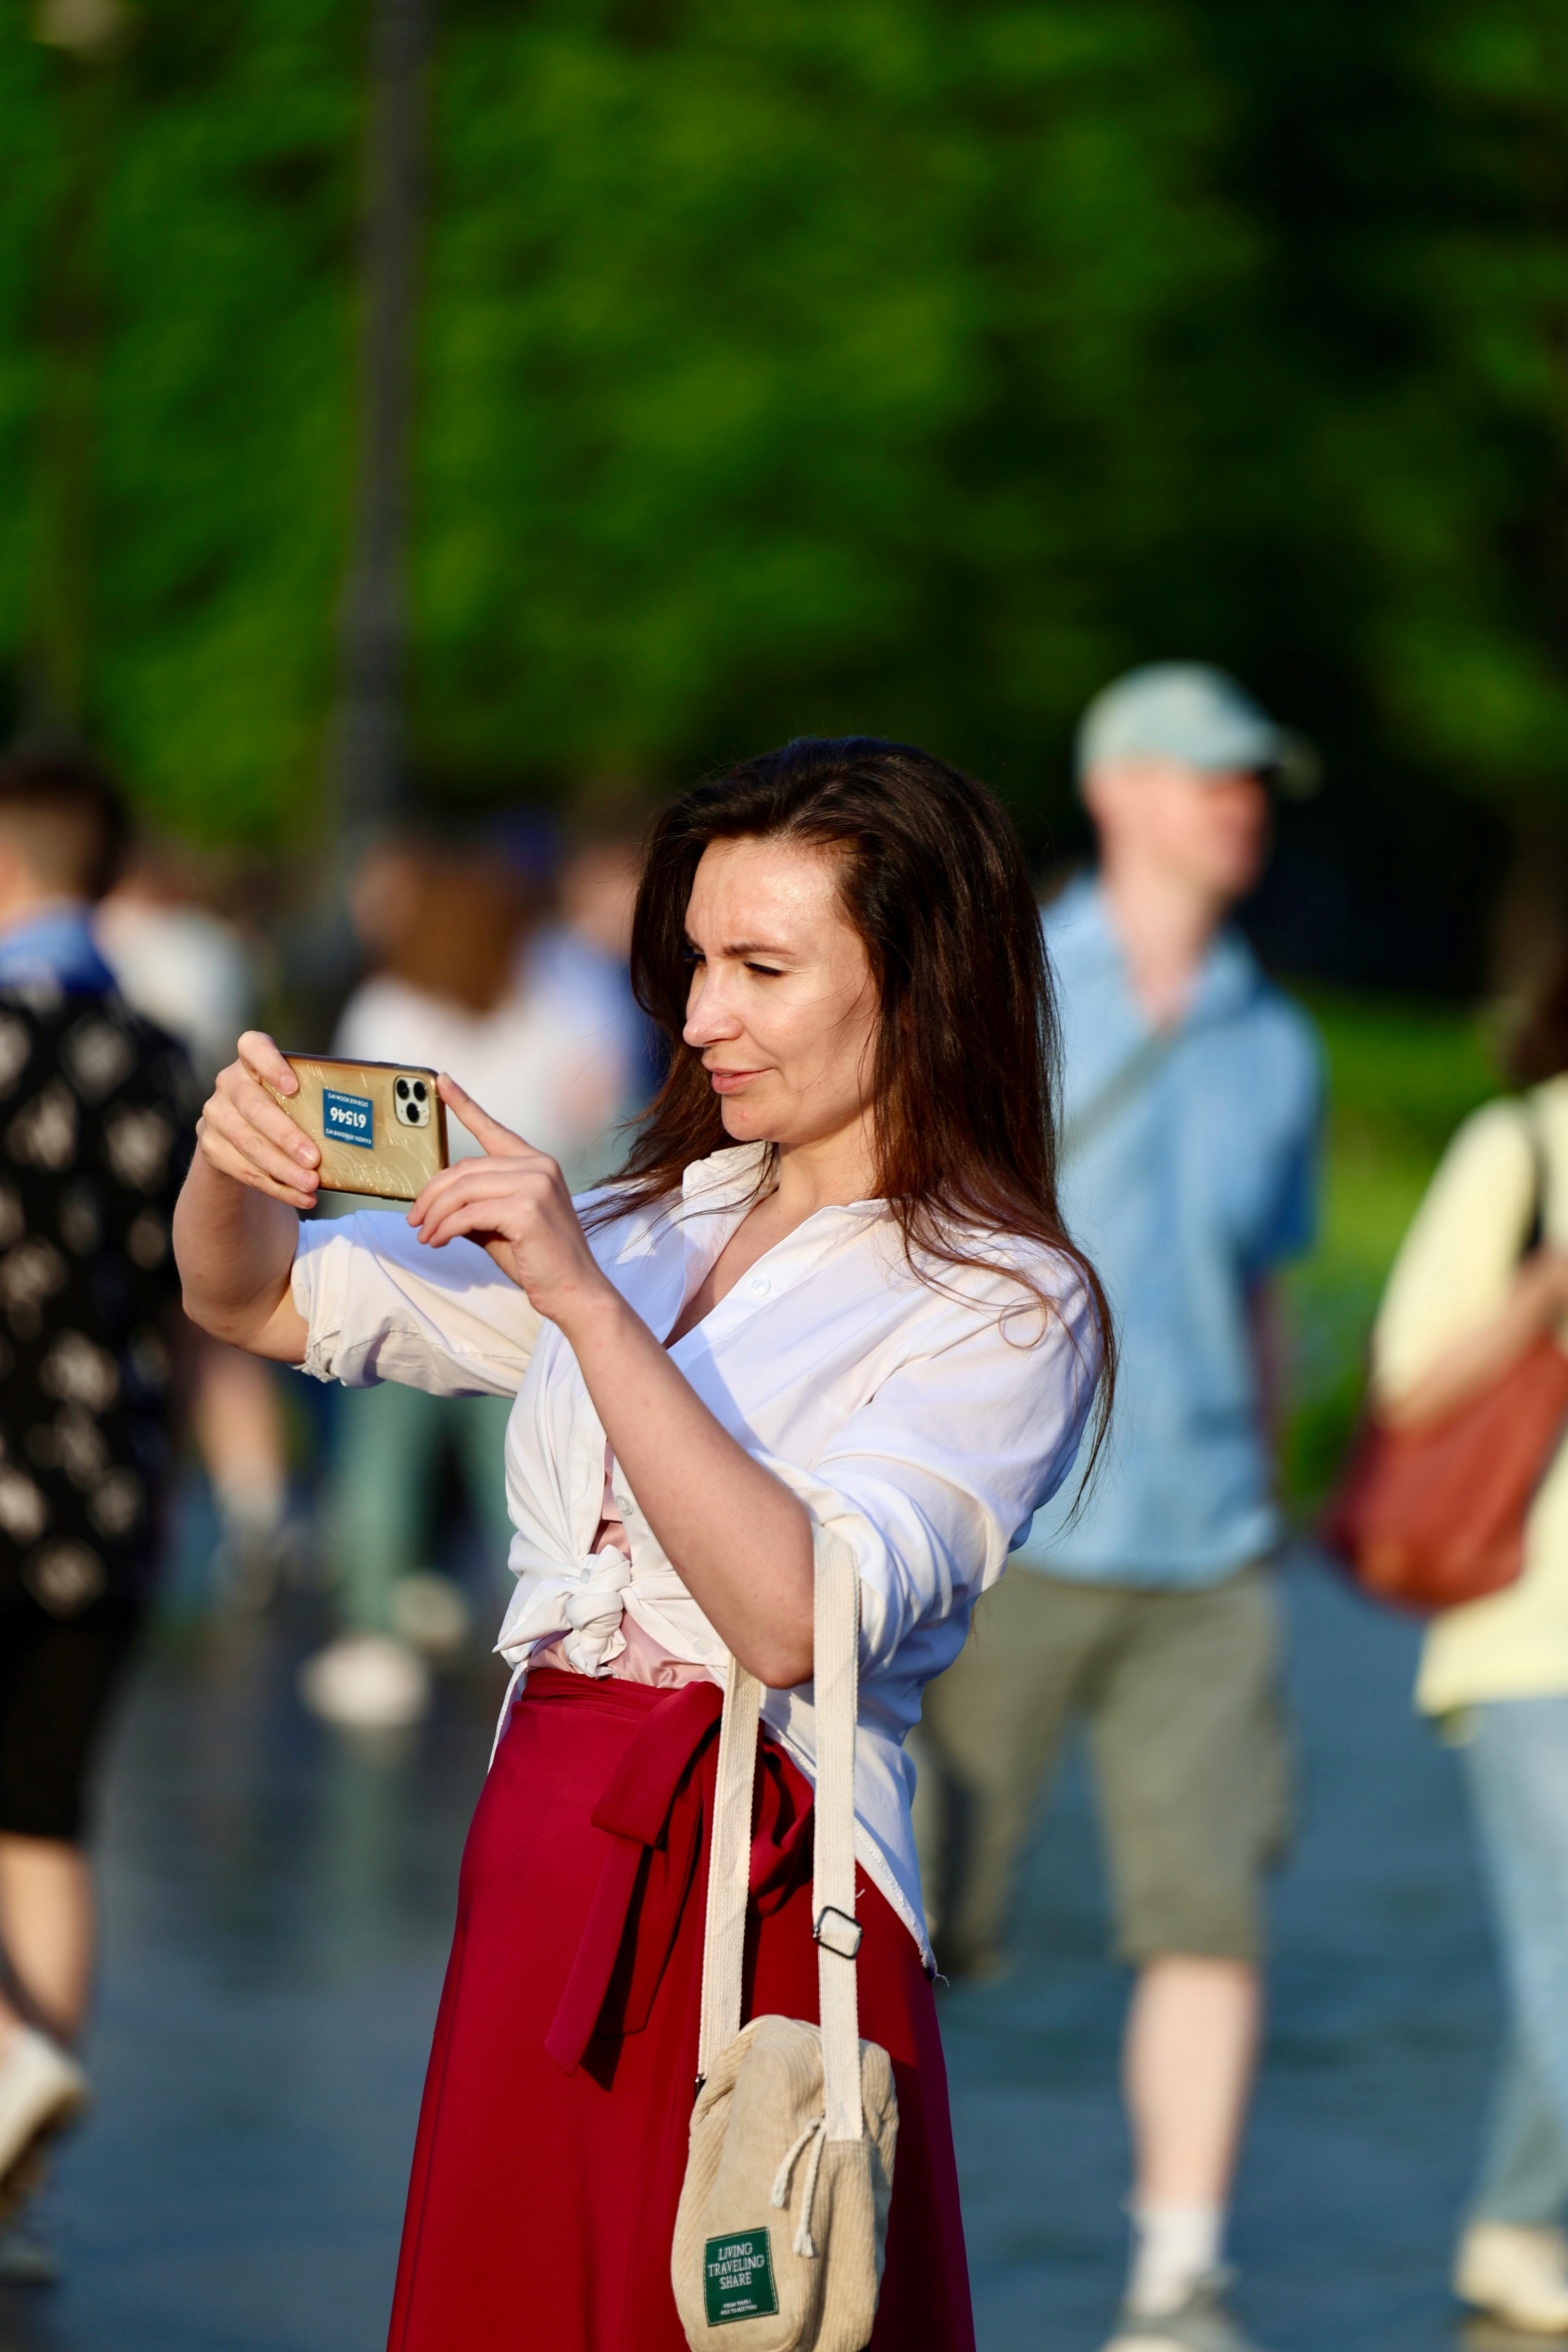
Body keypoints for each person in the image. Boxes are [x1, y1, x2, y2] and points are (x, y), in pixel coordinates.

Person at [174, 735, 1110, 2352]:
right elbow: (252, 1294)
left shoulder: (1002, 1299)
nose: (698, 1019)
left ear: (924, 980)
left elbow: (795, 1619)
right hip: (544, 1838)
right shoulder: (647, 1215)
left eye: (759, 966)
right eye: (691, 961)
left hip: (766, 1870)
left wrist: (581, 1306)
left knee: (742, 2304)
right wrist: (234, 1163)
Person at [917, 665, 1322, 2352]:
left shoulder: (1274, 1039)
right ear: (1122, 790)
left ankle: (1179, 2273)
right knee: (908, 1905)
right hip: (1007, 1527)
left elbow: (1259, 1290)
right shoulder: (1011, 997)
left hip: (1208, 1538)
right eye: (1213, 777)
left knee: (1207, 1904)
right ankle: (819, 2207)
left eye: (1256, 783)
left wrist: (1277, 1480)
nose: (1244, 804)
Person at [301, 831, 636, 1729]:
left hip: (399, 1259)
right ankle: (531, 1631)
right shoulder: (567, 997)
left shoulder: (386, 1006)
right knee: (519, 1465)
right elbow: (595, 1130)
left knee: (379, 1461)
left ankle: (374, 1633)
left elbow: (350, 1152)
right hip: (518, 1275)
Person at [0, 748, 195, 2282]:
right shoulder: (157, 1051)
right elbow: (210, 1292)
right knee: (46, 1821)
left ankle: (4, 2053)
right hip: (108, 1486)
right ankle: (23, 2194)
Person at [1367, 949, 1568, 2336]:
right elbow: (1406, 1378)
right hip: (1530, 1633)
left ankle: (1512, 2226)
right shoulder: (1522, 1145)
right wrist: (1550, 1283)